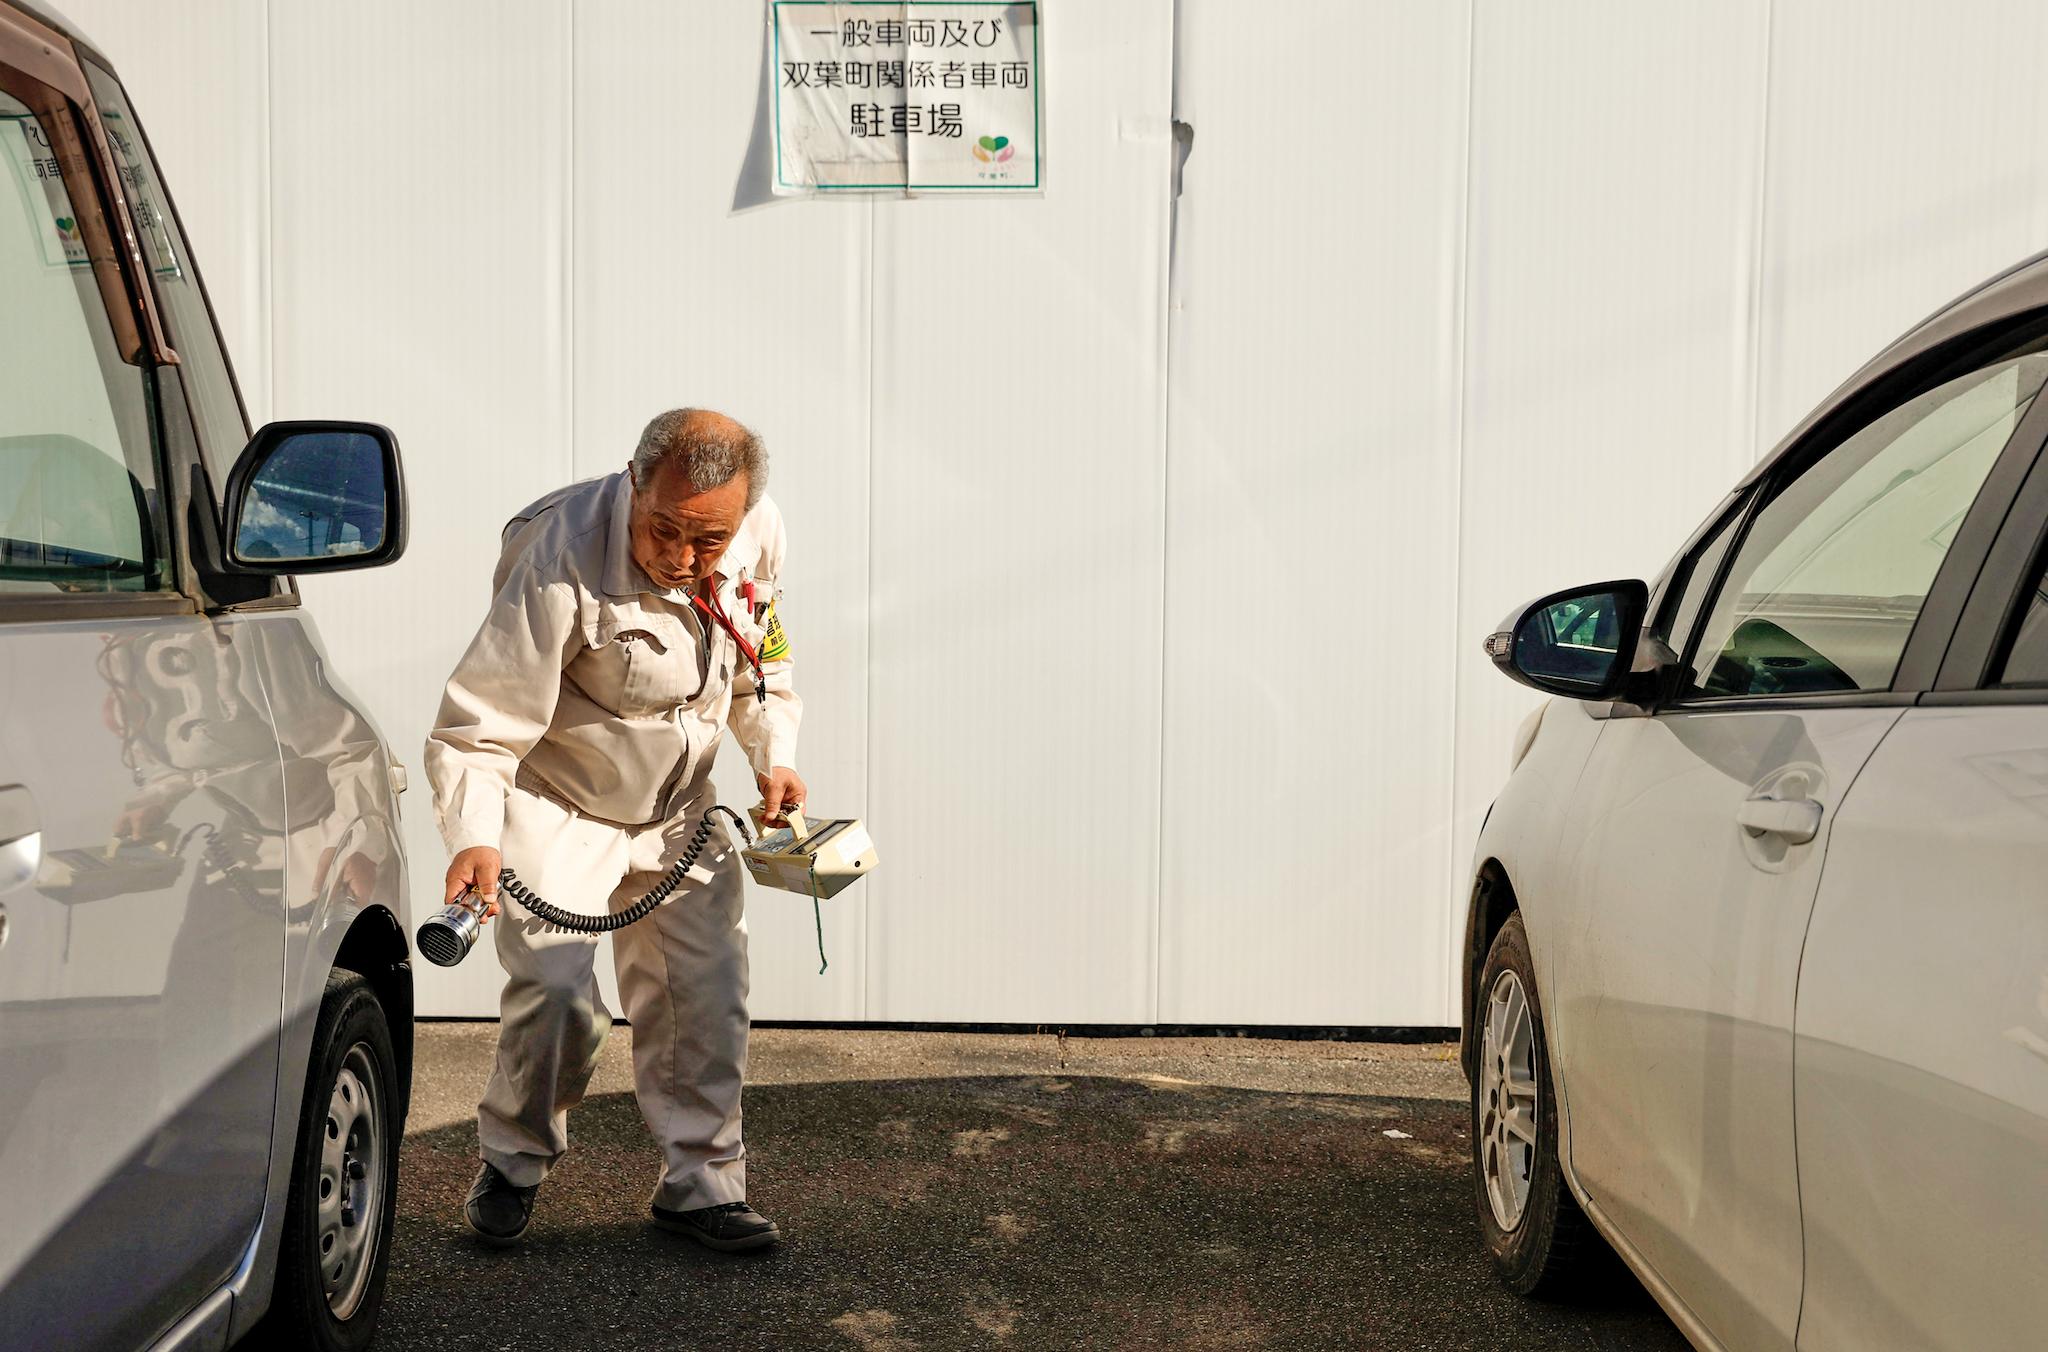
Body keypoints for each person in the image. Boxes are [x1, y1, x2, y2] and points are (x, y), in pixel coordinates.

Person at [423, 408, 803, 1251]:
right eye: (665, 529)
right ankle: (515, 1160)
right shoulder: (555, 557)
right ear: (634, 480)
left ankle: (701, 1185)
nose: (683, 558)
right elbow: (481, 723)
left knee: (705, 998)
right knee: (559, 1001)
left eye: (709, 541)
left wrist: (771, 756)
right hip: (563, 801)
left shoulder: (754, 533)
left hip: (681, 809)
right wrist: (475, 836)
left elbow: (763, 657)